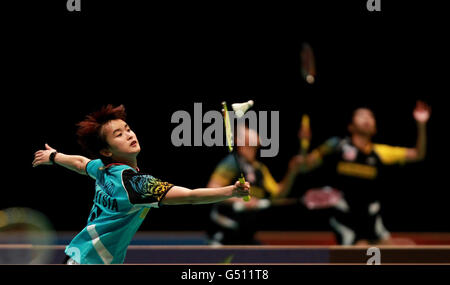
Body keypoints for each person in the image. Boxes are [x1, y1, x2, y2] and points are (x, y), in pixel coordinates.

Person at [32, 104, 250, 264]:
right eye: (119, 134)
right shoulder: (136, 185)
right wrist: (231, 190)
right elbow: (190, 196)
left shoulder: (103, 168)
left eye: (127, 129)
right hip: (91, 261)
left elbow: (81, 163)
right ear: (107, 150)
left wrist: (54, 156)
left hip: (79, 255)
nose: (128, 135)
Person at [295, 101, 431, 245]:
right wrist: (304, 145)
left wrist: (421, 125)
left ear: (375, 128)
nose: (366, 119)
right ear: (350, 126)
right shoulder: (335, 146)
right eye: (361, 115)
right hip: (345, 217)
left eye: (370, 116)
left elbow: (418, 154)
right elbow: (304, 167)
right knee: (362, 249)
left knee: (408, 247)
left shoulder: (380, 152)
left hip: (370, 217)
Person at [206, 124, 300, 245]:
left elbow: (278, 195)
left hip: (245, 235)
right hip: (223, 233)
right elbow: (212, 189)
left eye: (254, 146)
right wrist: (239, 201)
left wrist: (292, 172)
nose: (251, 149)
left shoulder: (259, 169)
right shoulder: (231, 163)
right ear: (239, 144)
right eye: (248, 144)